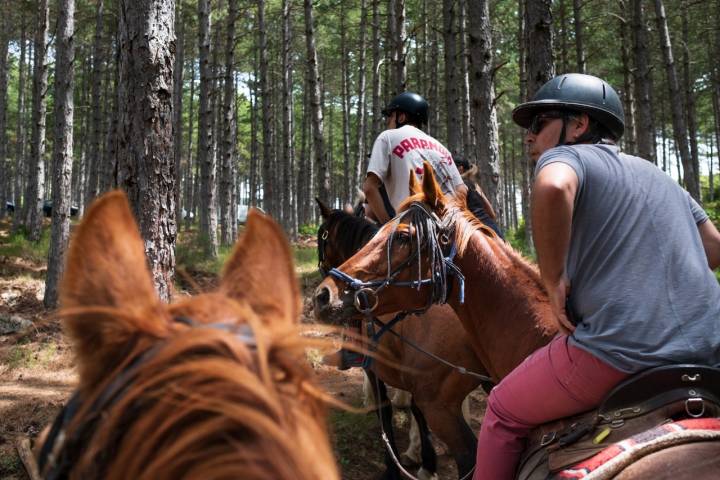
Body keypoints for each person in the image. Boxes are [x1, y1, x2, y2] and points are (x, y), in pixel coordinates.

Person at [473, 73, 720, 479]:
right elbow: (712, 248)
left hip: (621, 352)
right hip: (710, 351)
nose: (529, 137)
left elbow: (553, 188)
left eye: (539, 123)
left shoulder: (566, 157)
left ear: (579, 125)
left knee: (501, 409)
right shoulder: (658, 175)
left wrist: (553, 281)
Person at [363, 92, 466, 224]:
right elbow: (462, 190)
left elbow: (369, 188)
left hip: (412, 228)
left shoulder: (388, 137)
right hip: (450, 228)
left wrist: (388, 225)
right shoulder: (441, 148)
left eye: (390, 116)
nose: (387, 121)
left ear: (401, 117)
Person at [454, 156, 504, 238]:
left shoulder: (459, 187)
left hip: (476, 230)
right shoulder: (476, 186)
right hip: (492, 228)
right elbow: (491, 213)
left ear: (460, 169)